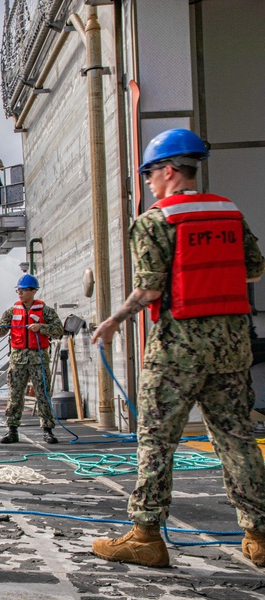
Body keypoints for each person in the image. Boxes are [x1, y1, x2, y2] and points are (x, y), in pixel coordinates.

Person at [90, 128, 265, 568]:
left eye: (150, 173)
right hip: (232, 344)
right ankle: (258, 533)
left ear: (169, 171)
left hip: (178, 348)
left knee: (156, 438)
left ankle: (146, 535)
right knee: (238, 437)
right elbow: (255, 271)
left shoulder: (154, 220)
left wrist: (113, 321)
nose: (148, 181)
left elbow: (149, 290)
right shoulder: (229, 212)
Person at [0, 274, 63, 445]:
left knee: (43, 394)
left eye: (23, 290)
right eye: (18, 290)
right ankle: (12, 429)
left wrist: (41, 327)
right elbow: (0, 332)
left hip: (38, 358)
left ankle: (47, 430)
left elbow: (58, 330)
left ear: (33, 291)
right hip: (17, 360)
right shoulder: (11, 312)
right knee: (15, 395)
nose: (20, 293)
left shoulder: (46, 311)